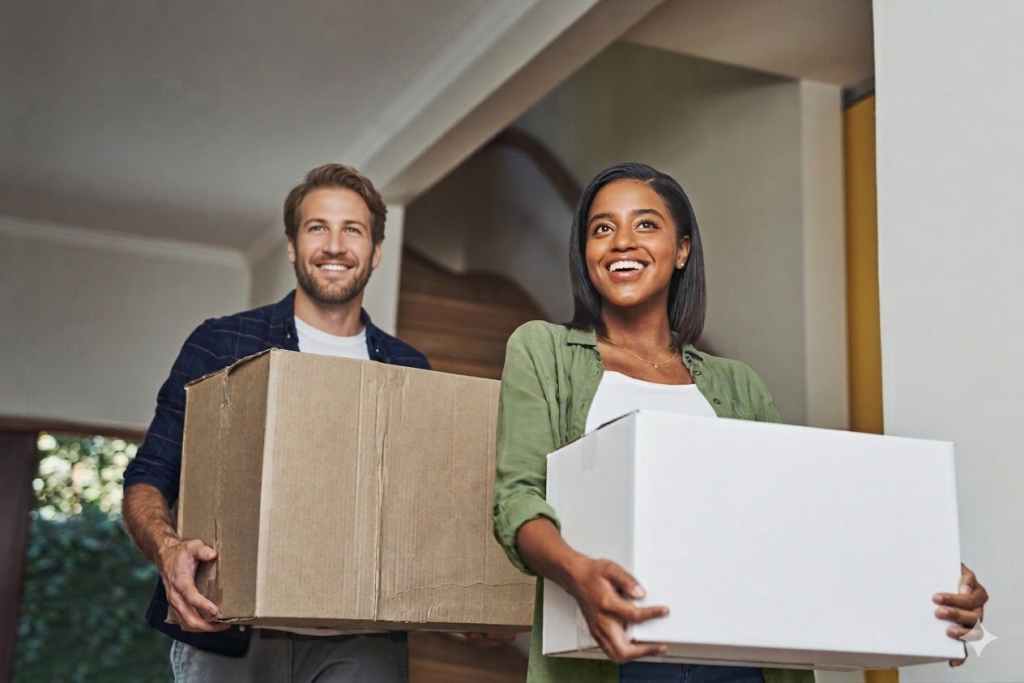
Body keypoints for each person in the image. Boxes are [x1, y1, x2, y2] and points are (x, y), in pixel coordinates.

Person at [491, 163, 989, 683]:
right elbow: (518, 501)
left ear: (682, 250)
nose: (621, 242)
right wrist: (579, 574)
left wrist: (930, 577)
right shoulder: (542, 351)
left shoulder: (738, 385)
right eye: (601, 228)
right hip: (614, 657)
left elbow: (800, 517)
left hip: (743, 663)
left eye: (644, 225)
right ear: (586, 252)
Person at [122, 163, 511, 683]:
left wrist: (468, 604)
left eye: (352, 229)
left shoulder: (407, 368)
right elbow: (148, 476)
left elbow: (426, 517)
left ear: (375, 252)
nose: (334, 245)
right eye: (316, 228)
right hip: (230, 629)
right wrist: (169, 550)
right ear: (291, 245)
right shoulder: (220, 344)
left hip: (363, 639)